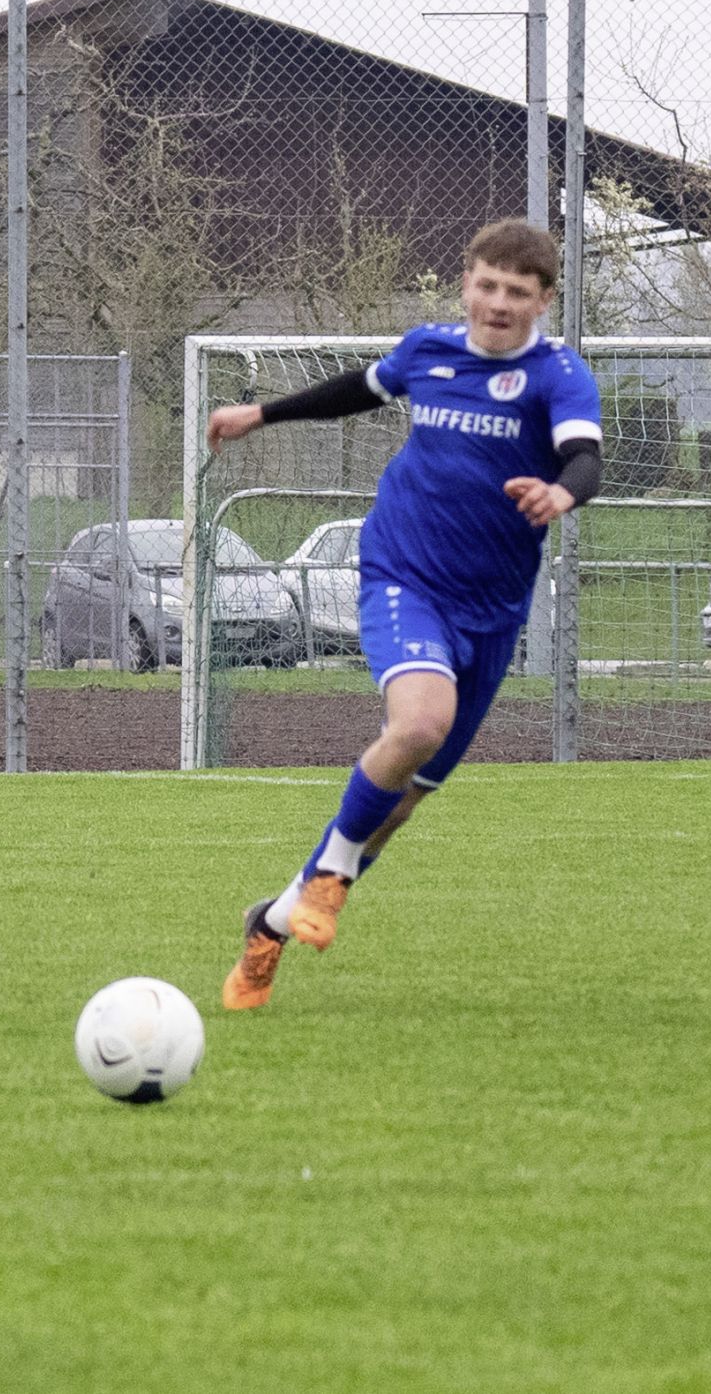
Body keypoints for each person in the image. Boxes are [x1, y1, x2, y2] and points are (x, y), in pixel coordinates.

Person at [210, 218, 602, 1011]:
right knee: (418, 724)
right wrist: (263, 413)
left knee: (410, 793)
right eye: (486, 285)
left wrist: (563, 491)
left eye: (517, 293)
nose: (497, 303)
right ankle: (326, 880)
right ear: (467, 283)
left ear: (544, 300)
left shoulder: (558, 374)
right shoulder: (429, 349)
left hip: (492, 607)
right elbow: (361, 387)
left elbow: (584, 454)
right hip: (404, 573)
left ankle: (276, 919)